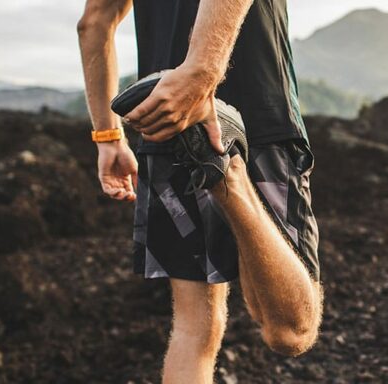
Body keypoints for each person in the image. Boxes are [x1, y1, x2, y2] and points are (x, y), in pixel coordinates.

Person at [76, 0, 323, 382]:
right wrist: (200, 76)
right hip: (257, 116)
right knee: (291, 331)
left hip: (164, 124)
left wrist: (107, 137)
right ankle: (229, 175)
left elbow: (94, 22)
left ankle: (217, 166)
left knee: (195, 328)